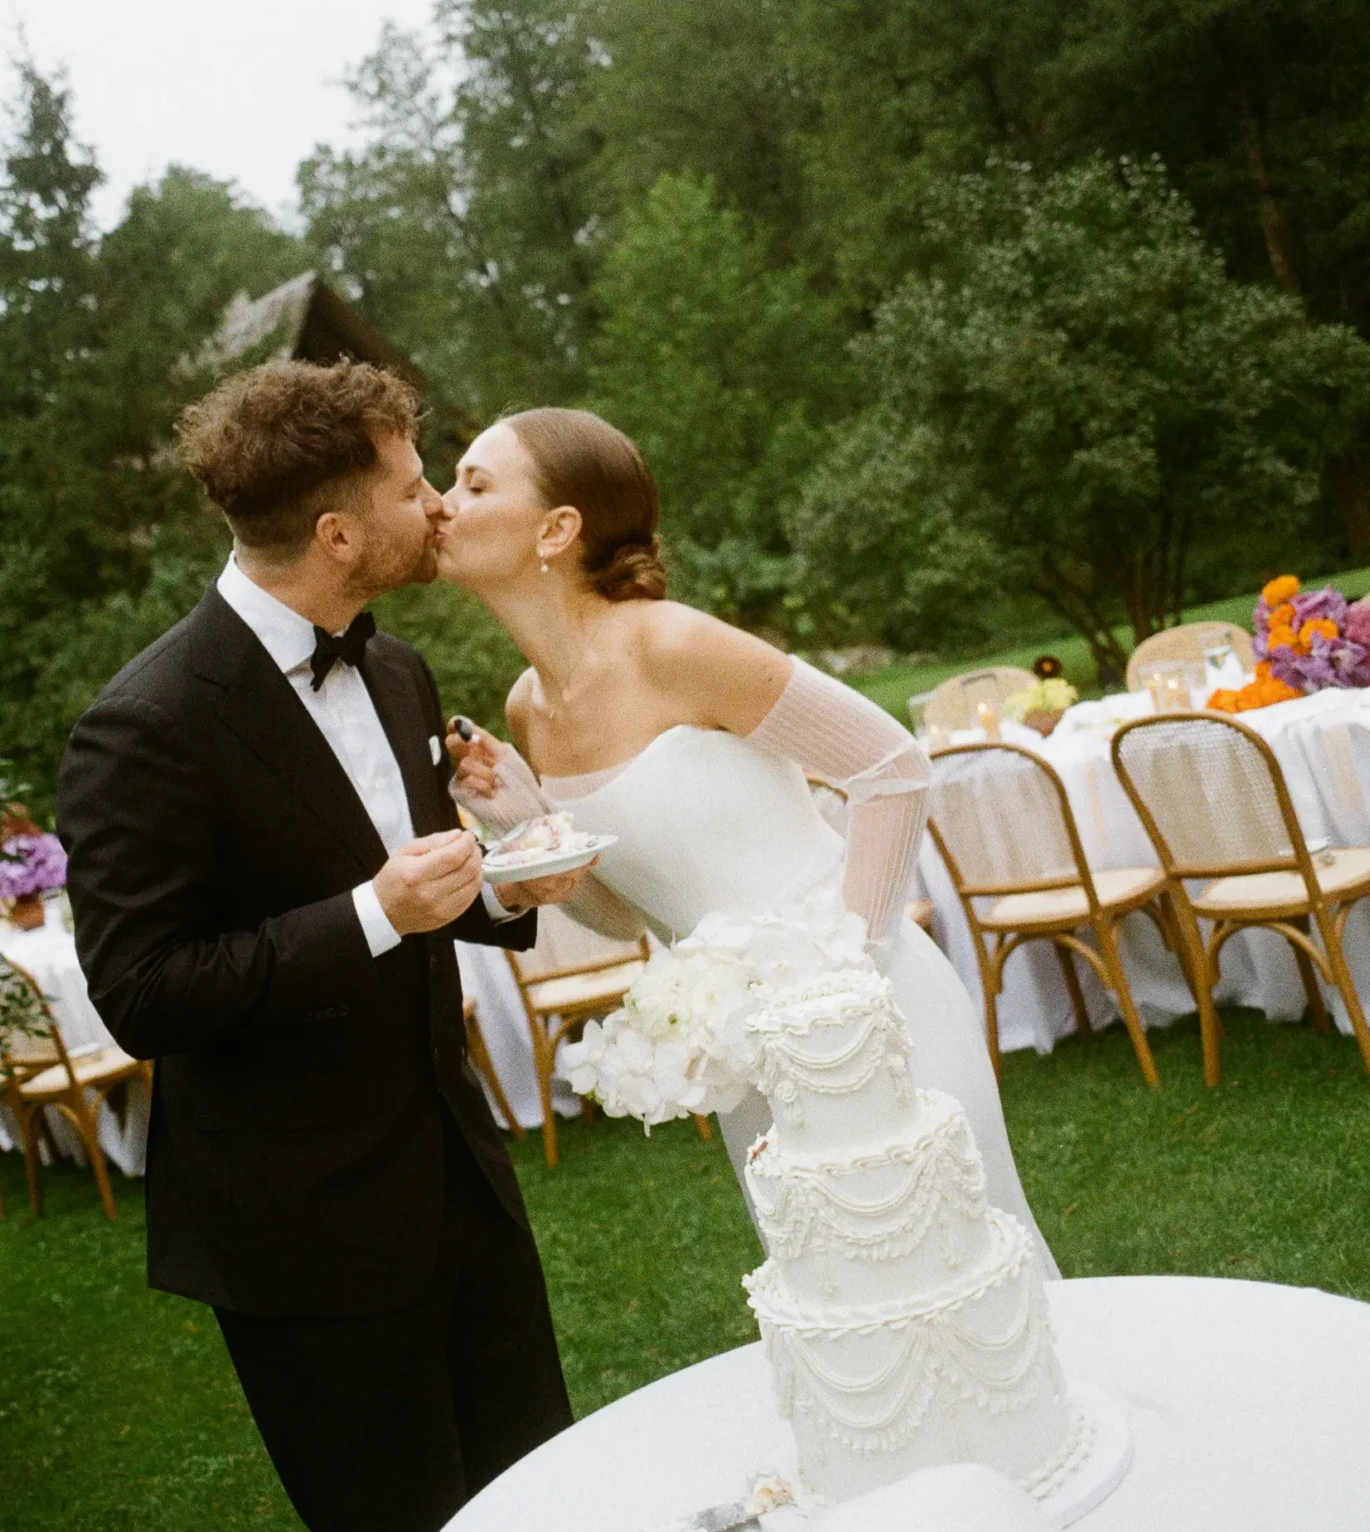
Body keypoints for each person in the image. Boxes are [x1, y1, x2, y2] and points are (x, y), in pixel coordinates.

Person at [56, 360, 583, 1532]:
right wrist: (370, 913)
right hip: (303, 1237)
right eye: (412, 487)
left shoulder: (397, 672)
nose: (437, 504)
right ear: (338, 533)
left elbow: (412, 890)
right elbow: (142, 991)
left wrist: (504, 879)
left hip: (457, 1178)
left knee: (547, 1508)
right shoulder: (145, 725)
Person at [439, 406, 1056, 1270]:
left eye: (473, 485)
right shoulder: (526, 709)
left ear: (556, 529)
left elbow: (891, 768)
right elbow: (623, 918)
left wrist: (841, 986)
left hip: (872, 1014)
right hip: (743, 1052)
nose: (440, 503)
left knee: (960, 1271)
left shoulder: (672, 643)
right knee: (832, 1292)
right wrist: (520, 820)